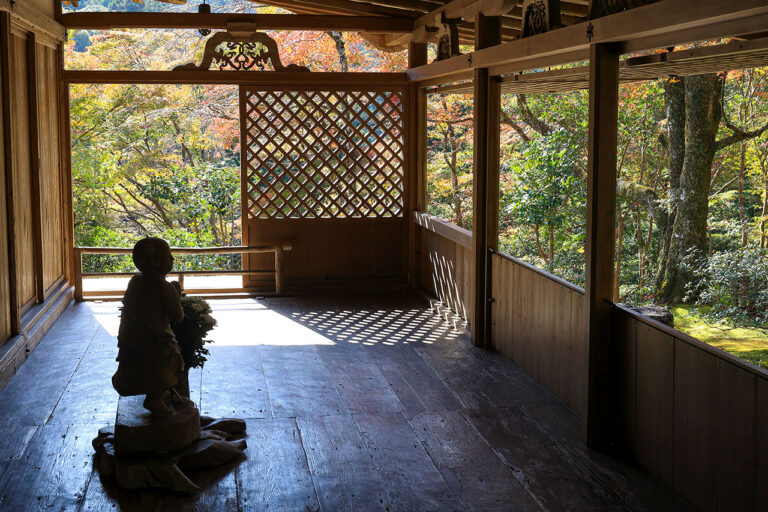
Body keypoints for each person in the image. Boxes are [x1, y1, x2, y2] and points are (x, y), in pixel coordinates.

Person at [112, 237, 185, 416]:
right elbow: (178, 316)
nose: (172, 259)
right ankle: (155, 397)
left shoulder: (135, 281)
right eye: (168, 255)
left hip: (134, 337)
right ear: (154, 261)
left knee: (146, 367)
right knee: (169, 365)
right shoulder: (164, 287)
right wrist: (176, 294)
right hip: (158, 339)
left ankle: (158, 395)